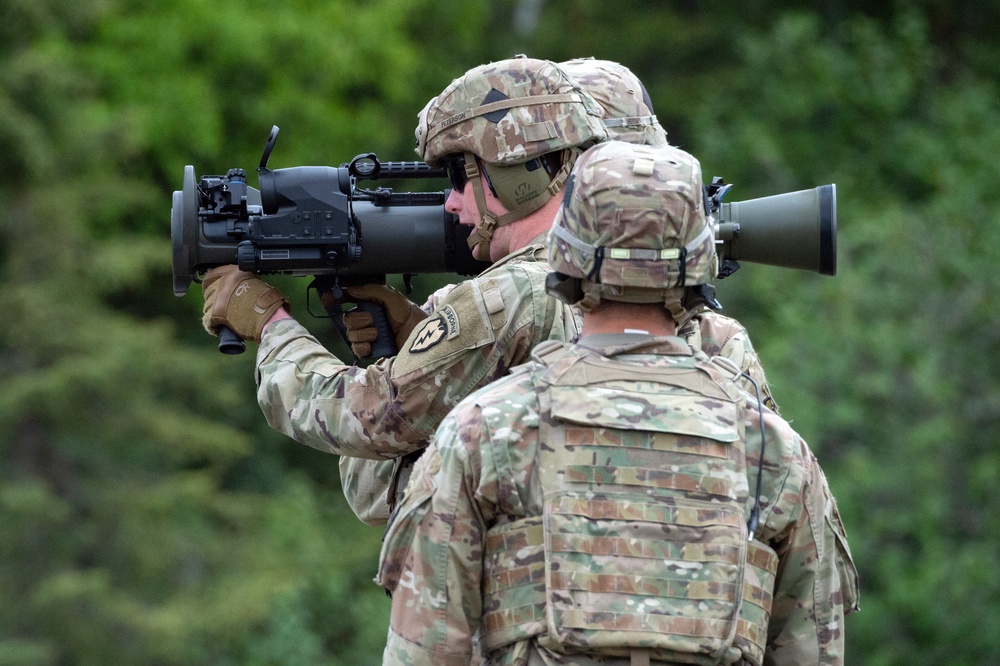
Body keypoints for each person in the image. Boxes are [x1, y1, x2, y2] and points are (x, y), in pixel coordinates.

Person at [376, 140, 859, 666]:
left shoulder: (485, 432)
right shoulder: (776, 456)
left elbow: (424, 651)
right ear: (701, 260)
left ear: (566, 255)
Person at [200, 56, 606, 525]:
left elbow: (369, 417)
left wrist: (269, 323)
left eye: (460, 175)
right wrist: (420, 331)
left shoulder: (515, 293)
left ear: (520, 174)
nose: (451, 202)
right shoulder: (611, 274)